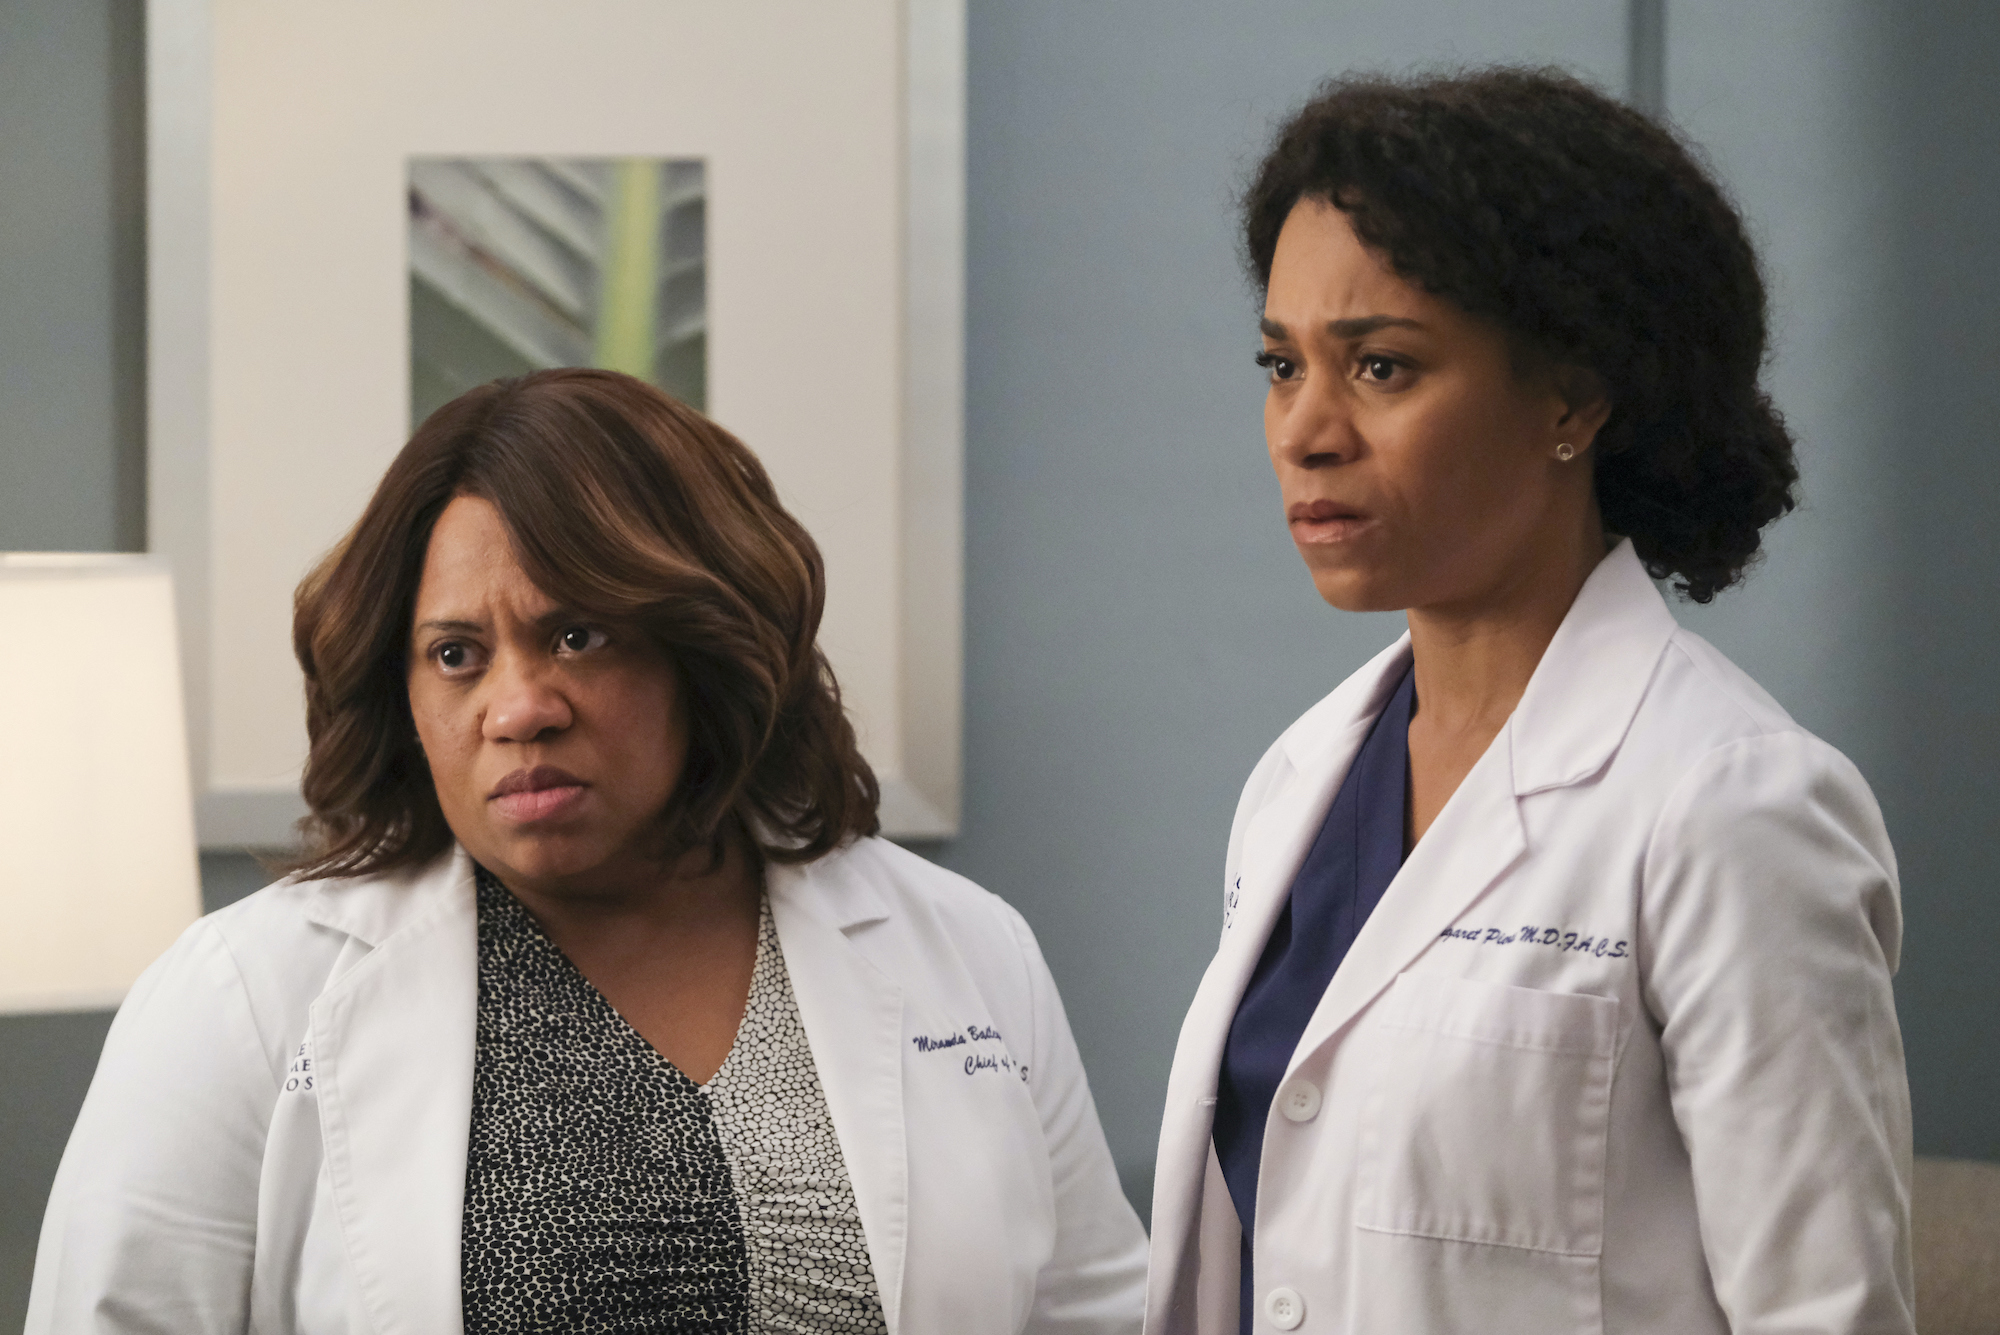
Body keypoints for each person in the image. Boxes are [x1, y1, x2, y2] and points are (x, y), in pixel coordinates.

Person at [30, 368, 1148, 1334]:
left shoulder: (967, 951)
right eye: (456, 654)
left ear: (704, 649)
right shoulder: (241, 997)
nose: (519, 707)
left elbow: (1097, 1315)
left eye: (577, 635)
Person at [1145, 69, 1912, 1335]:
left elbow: (1823, 1312)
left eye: (1380, 366)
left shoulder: (1731, 805)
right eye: (1281, 365)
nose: (1304, 431)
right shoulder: (1297, 781)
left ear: (1570, 398)